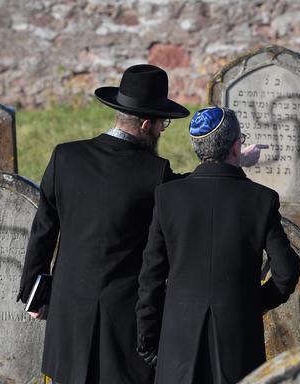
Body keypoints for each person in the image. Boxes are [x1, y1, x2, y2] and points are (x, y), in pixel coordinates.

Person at [17, 65, 265, 384]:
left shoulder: (66, 157)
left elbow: (44, 227)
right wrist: (235, 160)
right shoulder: (154, 173)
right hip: (124, 327)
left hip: (68, 318)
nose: (162, 130)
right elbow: (195, 189)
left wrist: (34, 292)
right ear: (146, 124)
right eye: (162, 123)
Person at [135, 107, 300, 384]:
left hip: (178, 341)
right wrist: (256, 302)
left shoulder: (168, 197)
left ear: (197, 149)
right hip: (239, 339)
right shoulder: (260, 199)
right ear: (236, 147)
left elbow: (150, 277)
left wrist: (146, 339)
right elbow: (286, 270)